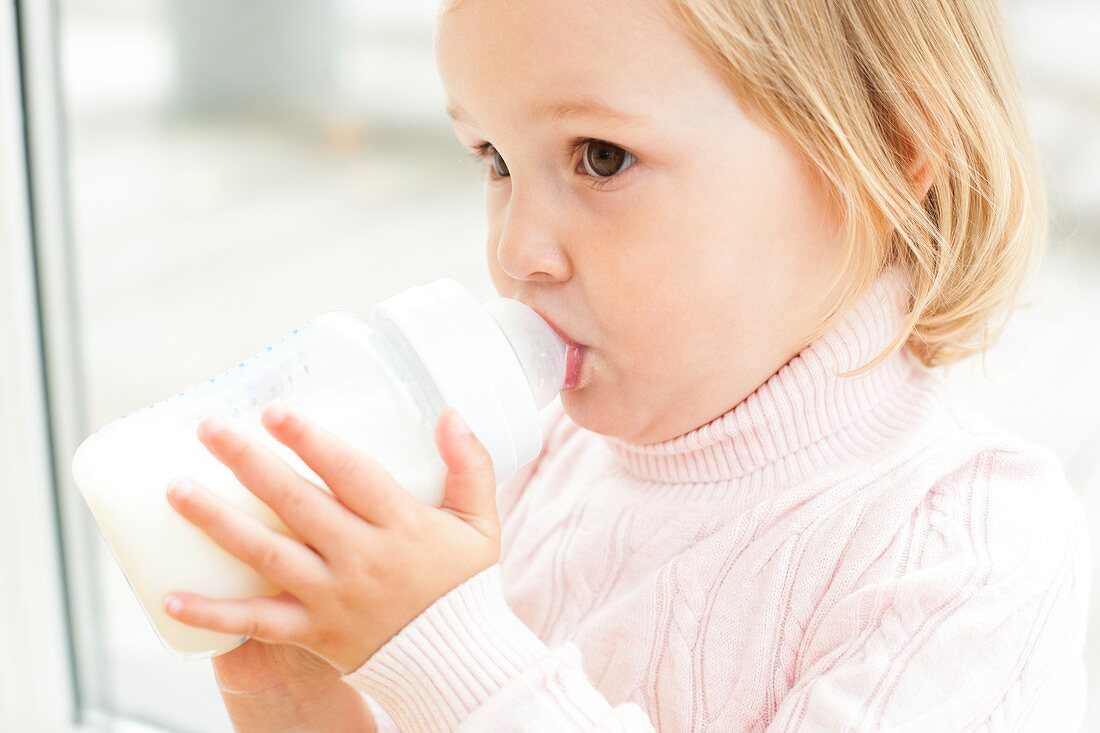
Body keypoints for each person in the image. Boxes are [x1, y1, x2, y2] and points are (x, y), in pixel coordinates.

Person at [160, 0, 1091, 729]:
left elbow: (471, 684)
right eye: (494, 159)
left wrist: (446, 644)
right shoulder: (535, 462)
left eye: (600, 158)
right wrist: (296, 696)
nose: (517, 249)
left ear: (881, 153)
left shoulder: (965, 549)